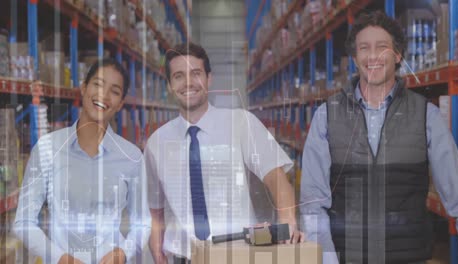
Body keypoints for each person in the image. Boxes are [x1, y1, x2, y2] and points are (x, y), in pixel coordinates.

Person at [300, 10, 458, 264]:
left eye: (382, 47)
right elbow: (313, 203)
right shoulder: (327, 116)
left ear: (398, 55)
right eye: (364, 48)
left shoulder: (426, 116)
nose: (373, 56)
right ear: (355, 58)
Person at [145, 42, 304, 263]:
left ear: (209, 79)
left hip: (238, 252)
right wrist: (156, 239)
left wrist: (288, 221)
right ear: (170, 85)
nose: (188, 82)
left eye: (196, 73)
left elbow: (276, 177)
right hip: (183, 256)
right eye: (179, 76)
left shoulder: (241, 123)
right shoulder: (156, 143)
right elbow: (156, 206)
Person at [13, 58, 151, 264]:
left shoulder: (131, 156)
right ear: (83, 88)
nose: (103, 95)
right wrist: (60, 258)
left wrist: (122, 253)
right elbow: (23, 222)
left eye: (114, 91)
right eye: (98, 84)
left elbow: (143, 223)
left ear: (121, 103)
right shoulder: (47, 149)